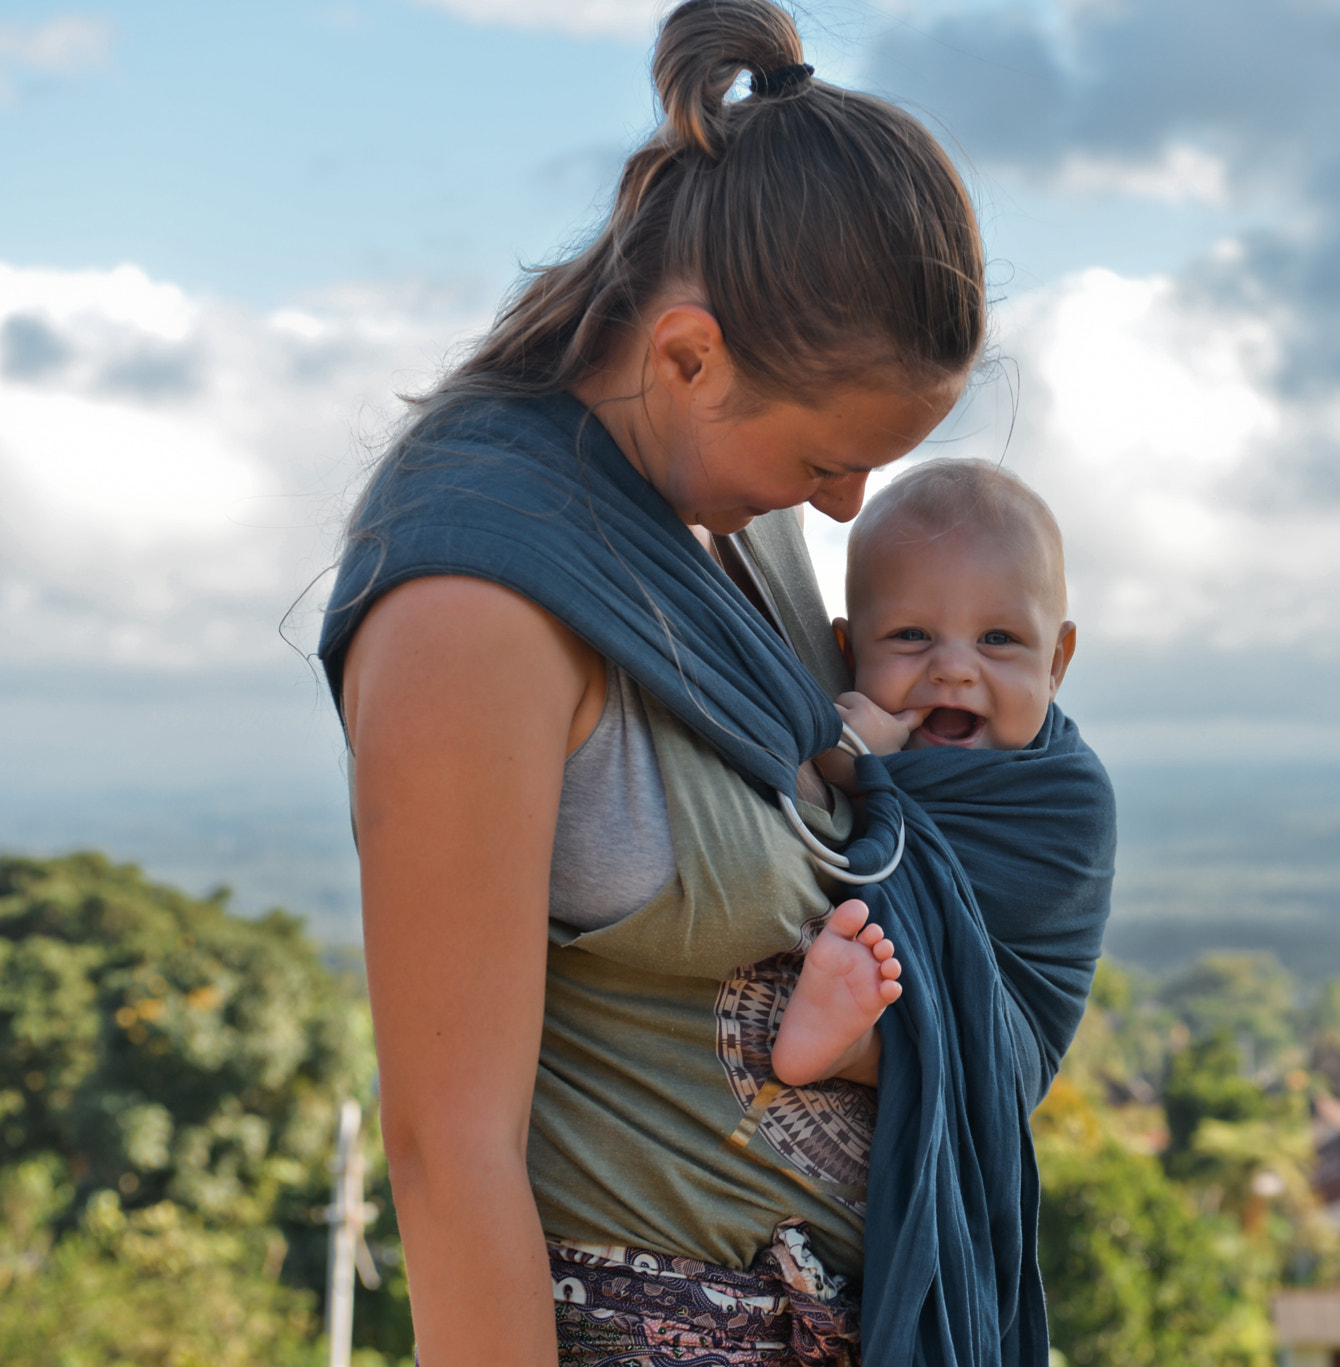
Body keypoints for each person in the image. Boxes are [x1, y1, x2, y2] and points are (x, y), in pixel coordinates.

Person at [316, 0, 1010, 1361]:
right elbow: (447, 1156)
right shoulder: (479, 609)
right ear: (689, 354)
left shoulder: (725, 519)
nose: (849, 502)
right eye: (825, 461)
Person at [774, 459, 1081, 1089]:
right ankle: (855, 1035)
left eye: (997, 638)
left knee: (989, 1054)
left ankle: (856, 1050)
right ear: (848, 655)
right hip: (890, 972)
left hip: (1009, 1029)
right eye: (911, 635)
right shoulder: (852, 736)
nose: (953, 669)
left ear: (1056, 662)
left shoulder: (1066, 795)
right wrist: (876, 770)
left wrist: (873, 777)